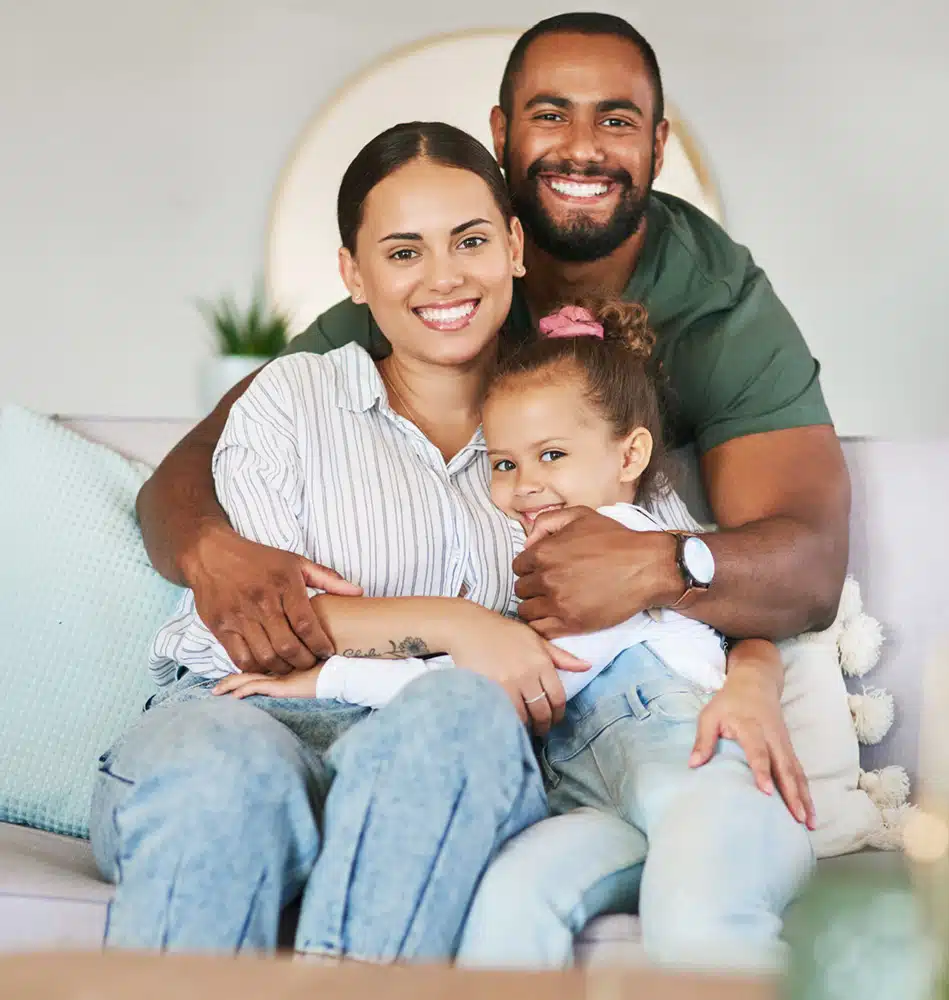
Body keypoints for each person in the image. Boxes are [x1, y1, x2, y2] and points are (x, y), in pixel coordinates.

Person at [135, 11, 849, 797]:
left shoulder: (719, 309)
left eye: (615, 119)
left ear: (657, 143)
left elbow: (809, 569)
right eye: (550, 115)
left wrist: (657, 567)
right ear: (503, 131)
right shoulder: (425, 291)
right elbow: (200, 458)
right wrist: (212, 548)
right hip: (416, 701)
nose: (582, 147)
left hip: (581, 709)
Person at [90, 122, 585, 959]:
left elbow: (646, 587)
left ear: (514, 246)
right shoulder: (295, 395)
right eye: (402, 252)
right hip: (237, 717)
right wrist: (466, 624)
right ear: (354, 275)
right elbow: (267, 629)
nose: (443, 277)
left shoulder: (573, 422)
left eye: (469, 240)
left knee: (462, 711)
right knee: (224, 777)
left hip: (437, 755)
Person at [211, 297, 815, 971]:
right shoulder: (545, 571)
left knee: (696, 924)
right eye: (503, 464)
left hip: (710, 787)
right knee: (509, 906)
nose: (526, 486)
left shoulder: (630, 547)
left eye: (552, 455)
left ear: (631, 453)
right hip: (603, 804)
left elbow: (503, 683)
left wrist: (319, 680)